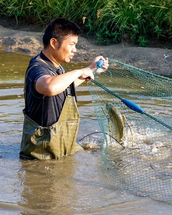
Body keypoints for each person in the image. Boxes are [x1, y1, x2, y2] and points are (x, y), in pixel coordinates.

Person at [20, 17, 109, 160]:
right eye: (72, 44)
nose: (75, 50)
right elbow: (50, 87)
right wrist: (80, 71)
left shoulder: (56, 66)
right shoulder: (37, 69)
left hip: (59, 149)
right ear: (54, 43)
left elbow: (65, 86)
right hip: (41, 157)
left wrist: (91, 69)